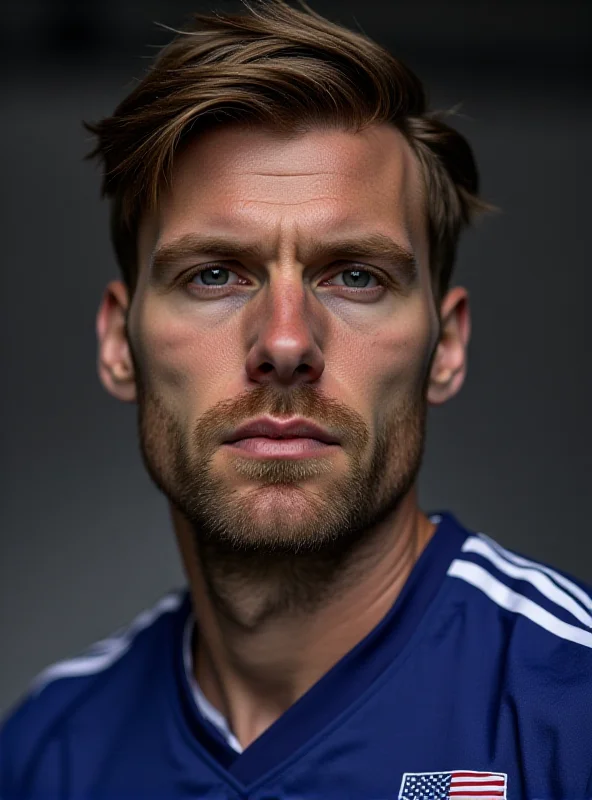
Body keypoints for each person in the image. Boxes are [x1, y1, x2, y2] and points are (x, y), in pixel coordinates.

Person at [2, 0, 591, 797]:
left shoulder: (568, 706)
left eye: (356, 276)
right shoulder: (48, 753)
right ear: (119, 344)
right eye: (213, 274)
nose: (285, 343)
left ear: (445, 348)